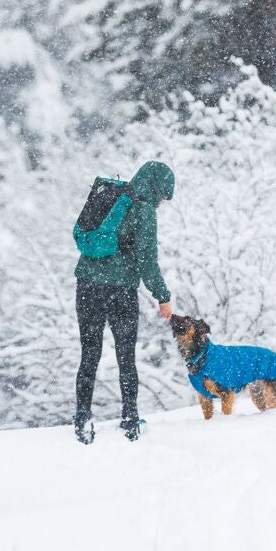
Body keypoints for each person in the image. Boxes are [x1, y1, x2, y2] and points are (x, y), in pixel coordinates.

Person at [73, 159, 174, 443]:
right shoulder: (144, 209)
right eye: (163, 197)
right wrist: (163, 296)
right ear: (157, 189)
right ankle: (129, 417)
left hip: (88, 286)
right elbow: (147, 262)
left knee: (89, 353)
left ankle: (82, 418)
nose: (161, 204)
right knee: (126, 356)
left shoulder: (111, 197)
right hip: (121, 291)